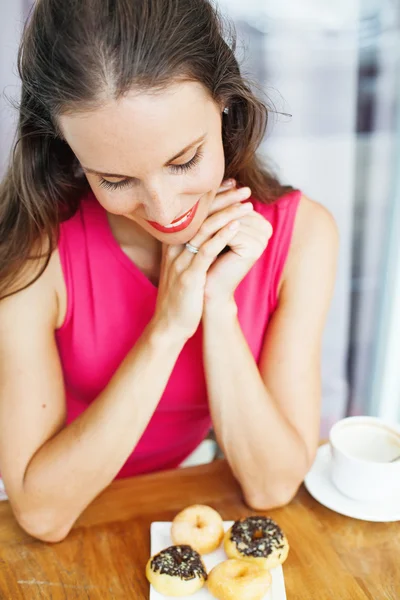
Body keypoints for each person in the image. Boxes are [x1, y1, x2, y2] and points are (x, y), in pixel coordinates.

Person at [0, 0, 338, 543]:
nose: (162, 210)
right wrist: (166, 330)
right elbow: (41, 514)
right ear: (66, 150)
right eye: (114, 179)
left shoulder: (304, 237)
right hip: (75, 513)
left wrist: (217, 308)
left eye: (184, 160)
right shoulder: (33, 255)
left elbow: (272, 485)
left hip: (188, 500)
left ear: (226, 102)